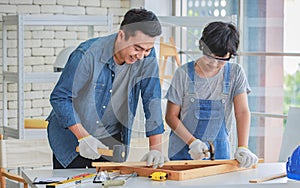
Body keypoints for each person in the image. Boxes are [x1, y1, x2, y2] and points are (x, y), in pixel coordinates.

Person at [47, 8, 168, 169]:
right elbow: (60, 97)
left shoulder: (146, 57)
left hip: (111, 141)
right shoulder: (87, 55)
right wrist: (83, 137)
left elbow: (151, 99)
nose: (141, 56)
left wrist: (156, 149)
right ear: (121, 35)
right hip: (74, 140)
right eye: (137, 48)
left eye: (147, 50)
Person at [165, 21, 258, 168]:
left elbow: (242, 112)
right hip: (183, 152)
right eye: (210, 56)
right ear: (202, 46)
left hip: (219, 155)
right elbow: (171, 116)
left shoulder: (235, 73)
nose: (214, 63)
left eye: (221, 60)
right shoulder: (183, 74)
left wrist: (243, 147)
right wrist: (193, 142)